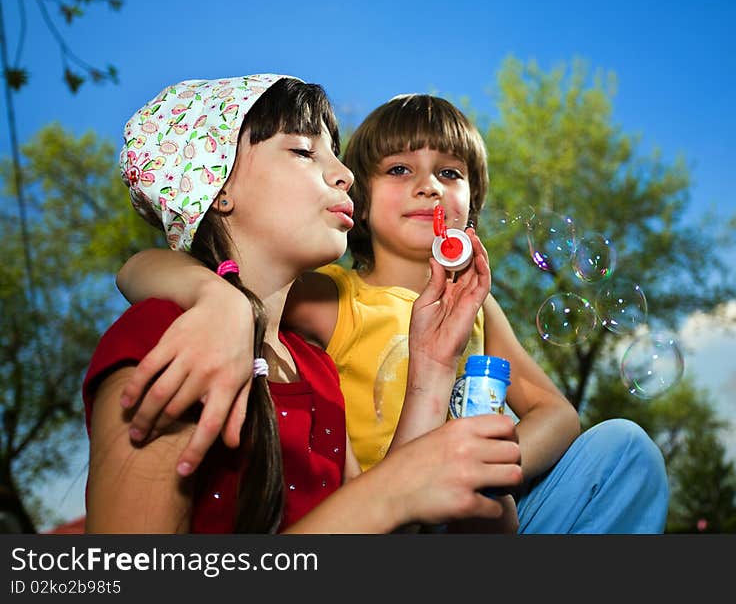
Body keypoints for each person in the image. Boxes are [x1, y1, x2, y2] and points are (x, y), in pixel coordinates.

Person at [115, 93, 669, 533]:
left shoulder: (475, 305)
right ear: (360, 206)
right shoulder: (331, 294)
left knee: (622, 449)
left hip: (467, 505)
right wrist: (220, 302)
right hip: (385, 511)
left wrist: (484, 466)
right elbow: (166, 267)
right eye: (399, 170)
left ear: (471, 204)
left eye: (450, 174)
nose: (428, 186)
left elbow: (559, 414)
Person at [84, 74, 522, 533]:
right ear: (219, 188)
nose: (346, 175)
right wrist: (391, 491)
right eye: (303, 151)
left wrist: (432, 368)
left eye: (334, 152)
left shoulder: (315, 369)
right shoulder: (169, 340)